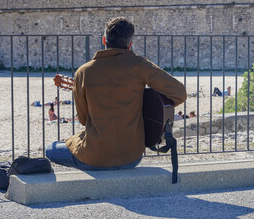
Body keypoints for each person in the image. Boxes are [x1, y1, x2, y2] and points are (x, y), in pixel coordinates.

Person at [46, 17, 187, 170]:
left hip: (95, 157)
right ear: (130, 44)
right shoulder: (140, 65)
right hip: (131, 156)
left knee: (51, 148)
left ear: (104, 40)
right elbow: (180, 93)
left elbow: (83, 119)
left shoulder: (84, 71)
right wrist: (147, 104)